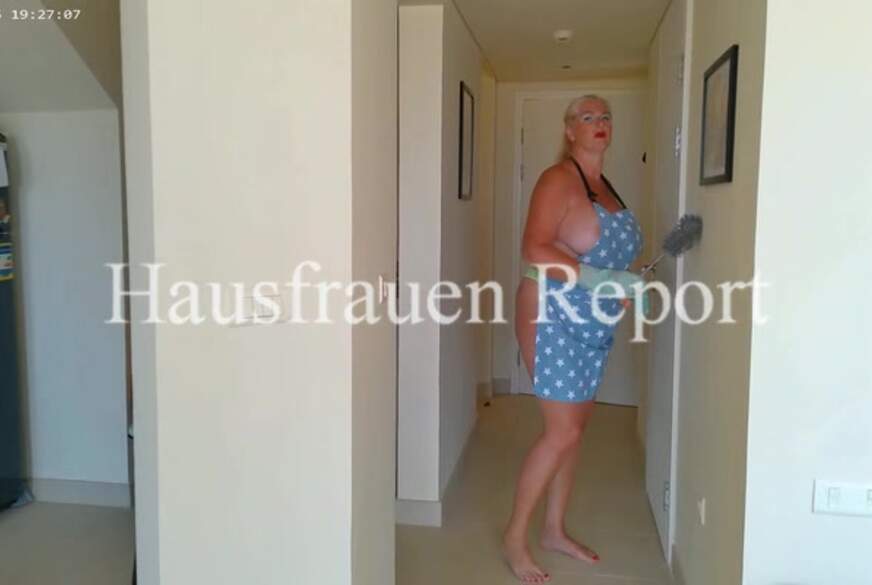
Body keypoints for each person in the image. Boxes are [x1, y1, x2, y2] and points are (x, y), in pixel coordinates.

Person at [504, 95, 645, 583]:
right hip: (552, 312)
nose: (599, 123)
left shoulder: (607, 187)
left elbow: (604, 259)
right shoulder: (557, 179)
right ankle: (515, 539)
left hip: (595, 318)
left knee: (575, 432)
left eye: (606, 117)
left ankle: (554, 530)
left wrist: (619, 287)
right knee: (561, 431)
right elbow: (535, 247)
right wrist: (605, 281)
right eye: (588, 117)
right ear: (569, 130)